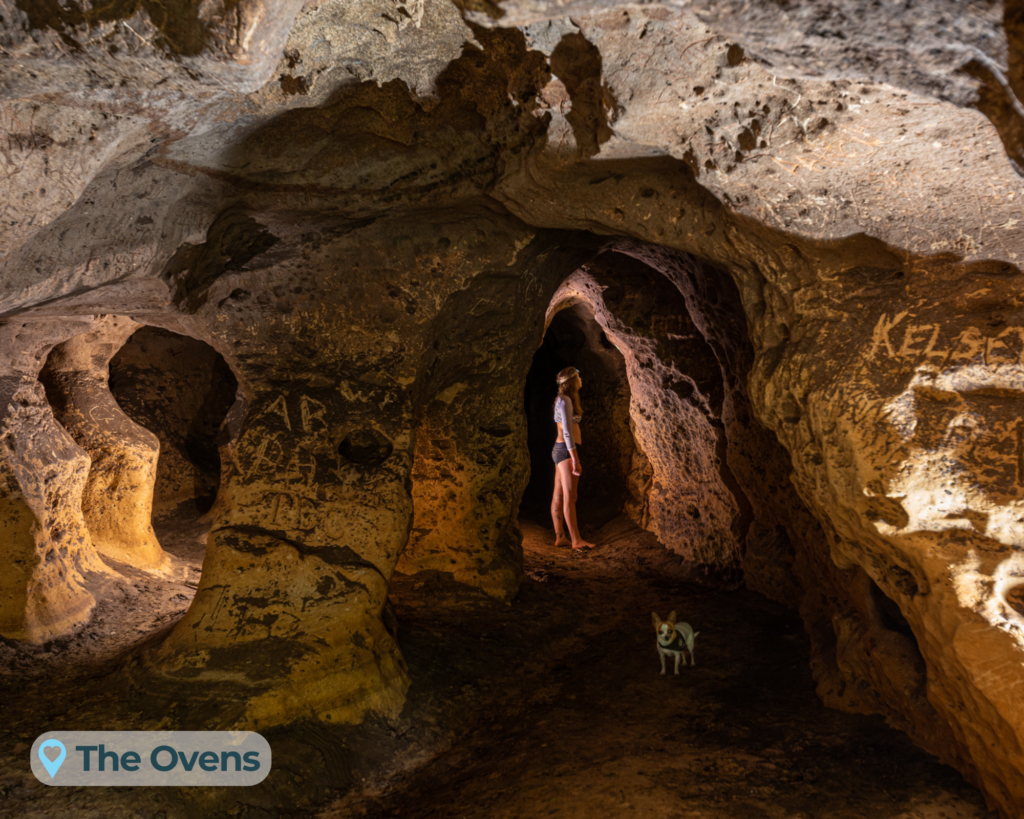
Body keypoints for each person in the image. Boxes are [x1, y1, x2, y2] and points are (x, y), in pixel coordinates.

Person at [551, 366, 596, 550]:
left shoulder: (563, 399)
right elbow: (568, 433)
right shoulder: (565, 401)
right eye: (578, 377)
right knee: (571, 497)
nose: (581, 380)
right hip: (565, 451)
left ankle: (560, 537)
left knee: (560, 495)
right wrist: (575, 459)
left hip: (561, 450)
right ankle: (576, 541)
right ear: (571, 381)